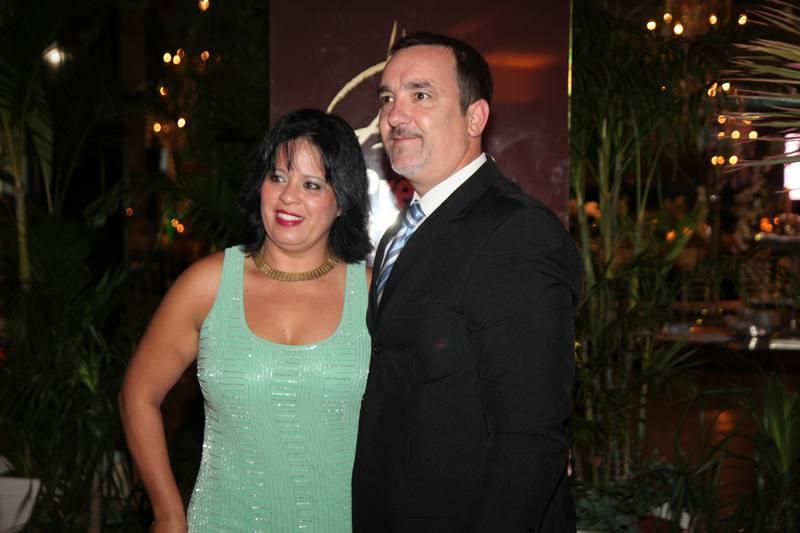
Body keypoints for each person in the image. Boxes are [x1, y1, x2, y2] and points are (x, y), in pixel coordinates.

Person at [351, 32, 583, 532]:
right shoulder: (400, 234)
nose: (394, 115)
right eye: (387, 98)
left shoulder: (517, 232)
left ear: (475, 118)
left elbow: (529, 435)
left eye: (420, 94)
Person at [119, 108, 372, 532]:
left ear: (342, 200)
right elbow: (138, 395)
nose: (288, 197)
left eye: (311, 184)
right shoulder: (207, 285)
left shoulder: (373, 295)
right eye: (278, 177)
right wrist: (167, 513)